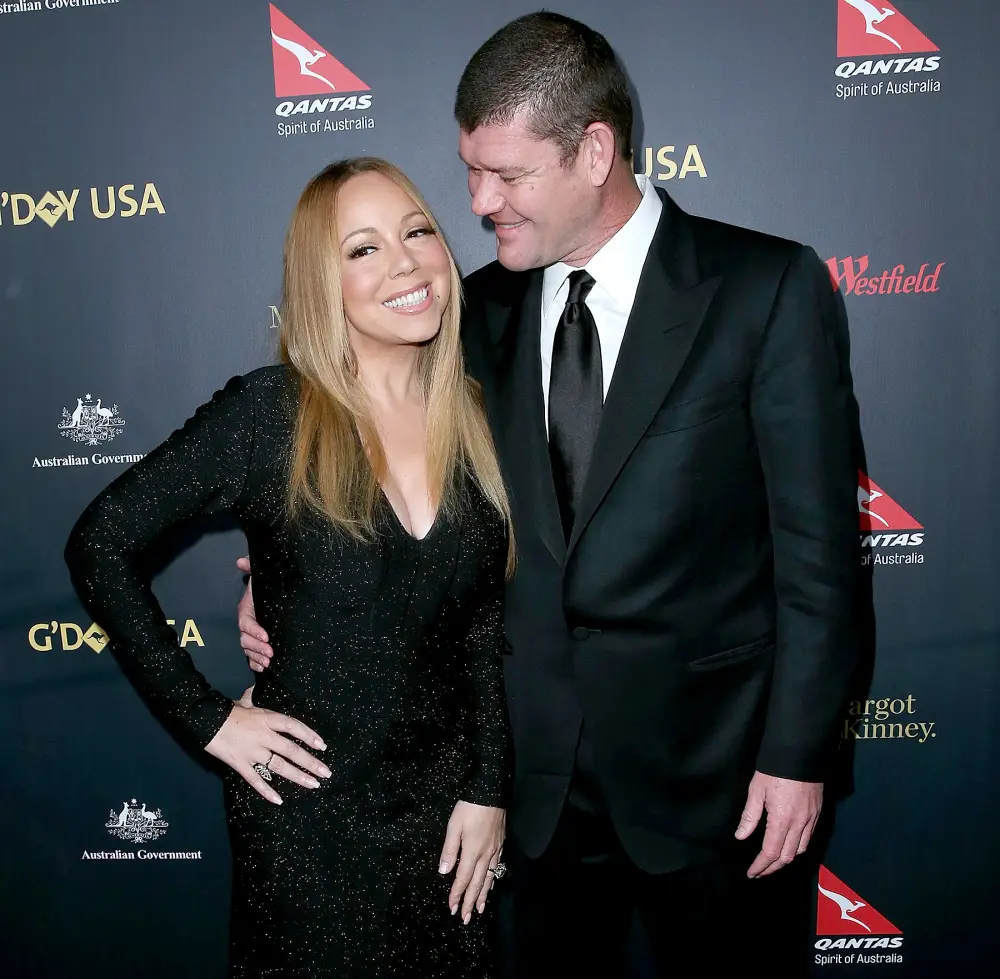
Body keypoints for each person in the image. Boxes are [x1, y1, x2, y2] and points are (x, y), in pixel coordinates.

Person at [238, 12, 860, 977]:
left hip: (719, 780)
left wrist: (797, 755)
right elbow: (363, 451)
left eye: (507, 175)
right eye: (470, 170)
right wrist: (275, 572)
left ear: (595, 152)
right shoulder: (468, 312)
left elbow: (820, 560)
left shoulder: (763, 288)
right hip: (523, 792)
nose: (477, 201)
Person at [65, 157, 514, 979]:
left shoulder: (473, 417)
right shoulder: (270, 414)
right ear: (321, 281)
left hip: (447, 820)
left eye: (417, 233)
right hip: (308, 821)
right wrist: (207, 718)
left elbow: (481, 629)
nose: (405, 262)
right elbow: (100, 542)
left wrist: (488, 789)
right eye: (363, 249)